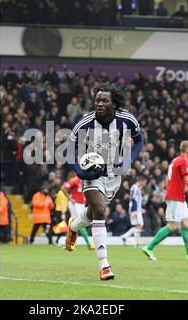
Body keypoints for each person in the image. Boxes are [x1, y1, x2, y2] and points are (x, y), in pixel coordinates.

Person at [66, 81, 144, 280]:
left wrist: (130, 160)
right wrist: (81, 174)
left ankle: (73, 227)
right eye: (97, 100)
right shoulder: (85, 122)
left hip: (114, 176)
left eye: (104, 100)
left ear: (114, 104)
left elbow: (139, 140)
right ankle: (104, 265)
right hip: (92, 174)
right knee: (100, 211)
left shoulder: (126, 119)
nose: (99, 103)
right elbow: (69, 151)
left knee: (93, 213)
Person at [142, 140, 188, 261]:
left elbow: (168, 178)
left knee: (187, 223)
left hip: (178, 196)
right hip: (175, 197)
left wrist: (169, 190)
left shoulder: (175, 160)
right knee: (172, 226)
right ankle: (149, 247)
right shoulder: (183, 161)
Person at [61, 172, 95, 250]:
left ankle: (68, 244)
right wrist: (70, 198)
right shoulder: (75, 180)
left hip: (80, 204)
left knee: (74, 223)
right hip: (76, 204)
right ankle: (89, 244)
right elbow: (63, 188)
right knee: (80, 222)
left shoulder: (85, 180)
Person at [120, 175, 146, 246]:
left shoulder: (137, 188)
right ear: (140, 181)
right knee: (140, 225)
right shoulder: (135, 188)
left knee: (137, 226)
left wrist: (140, 209)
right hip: (135, 210)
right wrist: (135, 210)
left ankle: (137, 243)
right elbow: (133, 199)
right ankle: (124, 236)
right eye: (144, 182)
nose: (144, 184)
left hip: (137, 209)